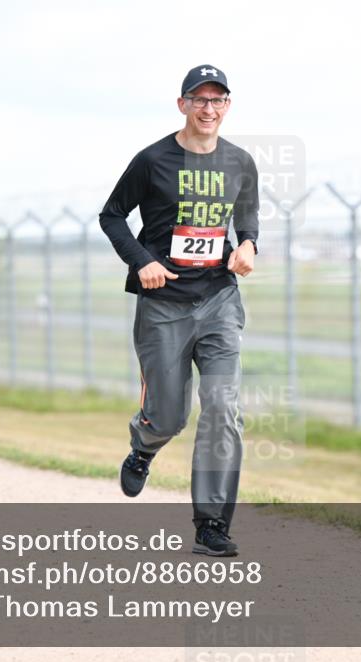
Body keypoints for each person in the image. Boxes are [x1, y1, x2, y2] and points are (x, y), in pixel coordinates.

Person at [99, 64, 259, 557]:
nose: (209, 109)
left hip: (218, 300)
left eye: (218, 100)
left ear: (227, 106)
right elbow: (112, 215)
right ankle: (145, 445)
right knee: (169, 416)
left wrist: (249, 245)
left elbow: (247, 220)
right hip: (164, 304)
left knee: (222, 407)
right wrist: (142, 259)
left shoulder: (240, 162)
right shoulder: (153, 160)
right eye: (200, 99)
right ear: (182, 104)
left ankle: (211, 523)